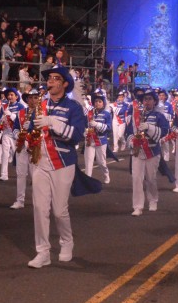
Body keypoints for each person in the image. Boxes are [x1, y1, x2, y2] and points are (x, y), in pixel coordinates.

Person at [21, 65, 87, 268]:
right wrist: (27, 137)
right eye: (49, 78)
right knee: (40, 209)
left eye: (55, 78)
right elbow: (33, 127)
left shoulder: (74, 108)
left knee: (59, 211)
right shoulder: (41, 103)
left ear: (65, 84)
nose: (50, 81)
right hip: (40, 161)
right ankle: (43, 252)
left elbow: (76, 136)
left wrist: (53, 122)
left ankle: (67, 242)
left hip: (63, 162)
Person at [125, 89, 171, 216]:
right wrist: (131, 142)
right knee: (136, 179)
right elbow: (128, 132)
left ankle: (153, 200)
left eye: (150, 99)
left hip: (152, 150)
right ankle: (138, 206)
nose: (147, 101)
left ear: (155, 101)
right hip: (137, 151)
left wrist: (149, 128)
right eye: (145, 99)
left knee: (151, 178)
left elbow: (164, 131)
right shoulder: (136, 116)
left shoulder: (159, 116)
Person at [83, 91, 113, 184]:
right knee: (88, 163)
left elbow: (109, 128)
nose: (97, 103)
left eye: (100, 101)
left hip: (101, 141)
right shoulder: (89, 113)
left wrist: (97, 124)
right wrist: (85, 131)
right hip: (89, 140)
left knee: (101, 162)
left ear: (103, 103)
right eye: (96, 101)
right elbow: (84, 124)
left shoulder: (107, 114)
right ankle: (88, 181)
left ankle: (106, 174)